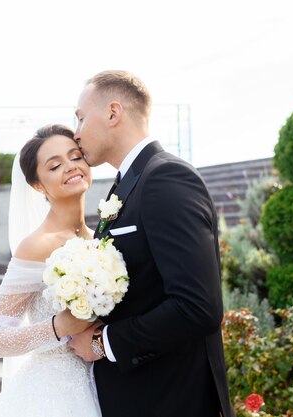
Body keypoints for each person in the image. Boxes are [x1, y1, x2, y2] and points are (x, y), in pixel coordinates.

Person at [68, 70, 235, 417]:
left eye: (81, 118)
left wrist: (104, 343)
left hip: (171, 400)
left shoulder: (166, 178)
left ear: (113, 113)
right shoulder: (124, 185)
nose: (76, 131)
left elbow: (197, 306)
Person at [0, 124, 102, 417]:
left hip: (106, 383)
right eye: (55, 165)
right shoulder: (36, 245)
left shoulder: (100, 239)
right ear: (38, 185)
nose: (71, 167)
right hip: (54, 395)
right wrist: (59, 327)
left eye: (75, 157)